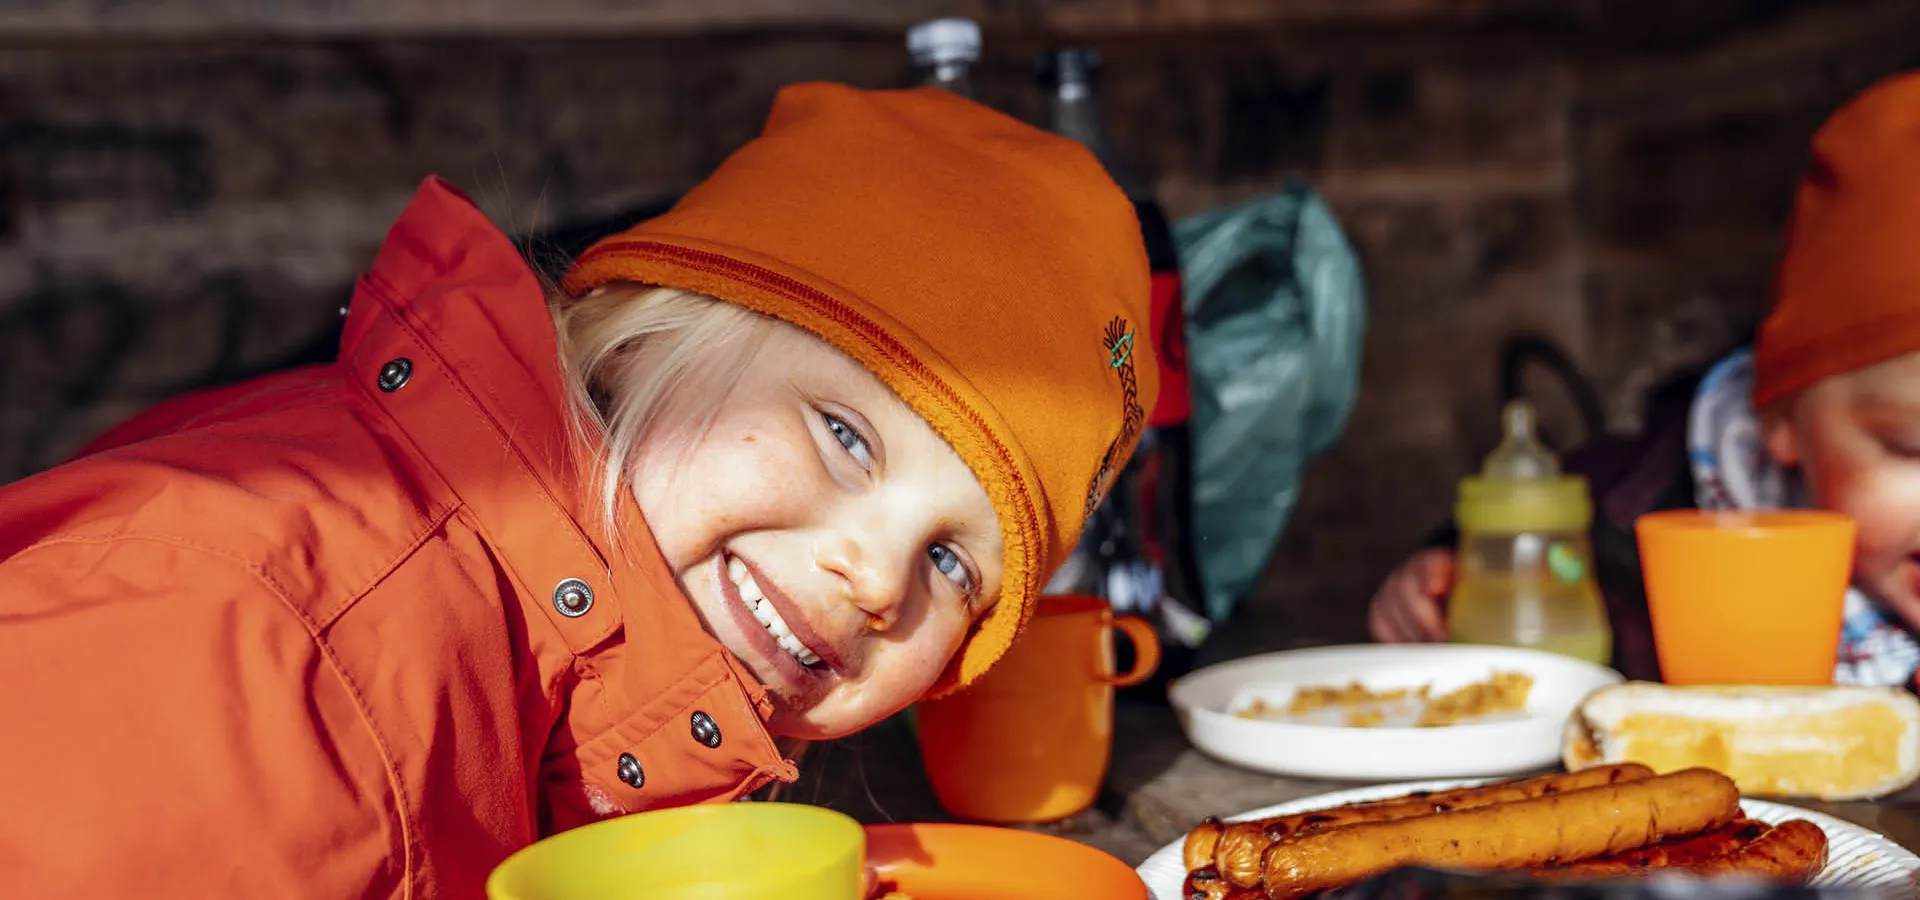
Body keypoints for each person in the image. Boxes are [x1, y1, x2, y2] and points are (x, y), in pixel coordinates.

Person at [0, 83, 1157, 896]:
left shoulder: (581, 714)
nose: (875, 579)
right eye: (847, 436)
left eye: (956, 564)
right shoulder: (262, 641)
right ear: (651, 339)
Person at [1368, 68, 1920, 689]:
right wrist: (1448, 576)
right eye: (1911, 447)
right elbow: (1531, 539)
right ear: (1780, 413)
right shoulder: (1637, 500)